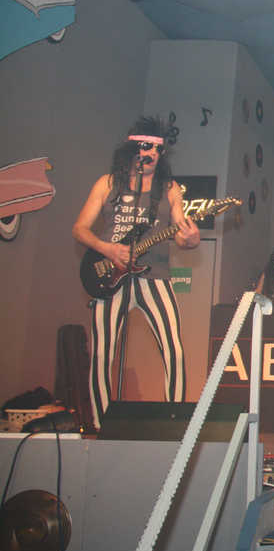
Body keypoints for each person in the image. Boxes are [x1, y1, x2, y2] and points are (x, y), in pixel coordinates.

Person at [72, 116, 199, 429]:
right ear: (132, 149)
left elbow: (181, 235)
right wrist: (108, 249)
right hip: (109, 275)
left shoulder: (168, 189)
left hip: (155, 276)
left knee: (174, 350)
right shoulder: (107, 184)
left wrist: (190, 239)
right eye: (146, 147)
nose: (152, 153)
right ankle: (102, 425)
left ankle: (175, 421)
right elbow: (80, 229)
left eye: (158, 149)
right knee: (102, 354)